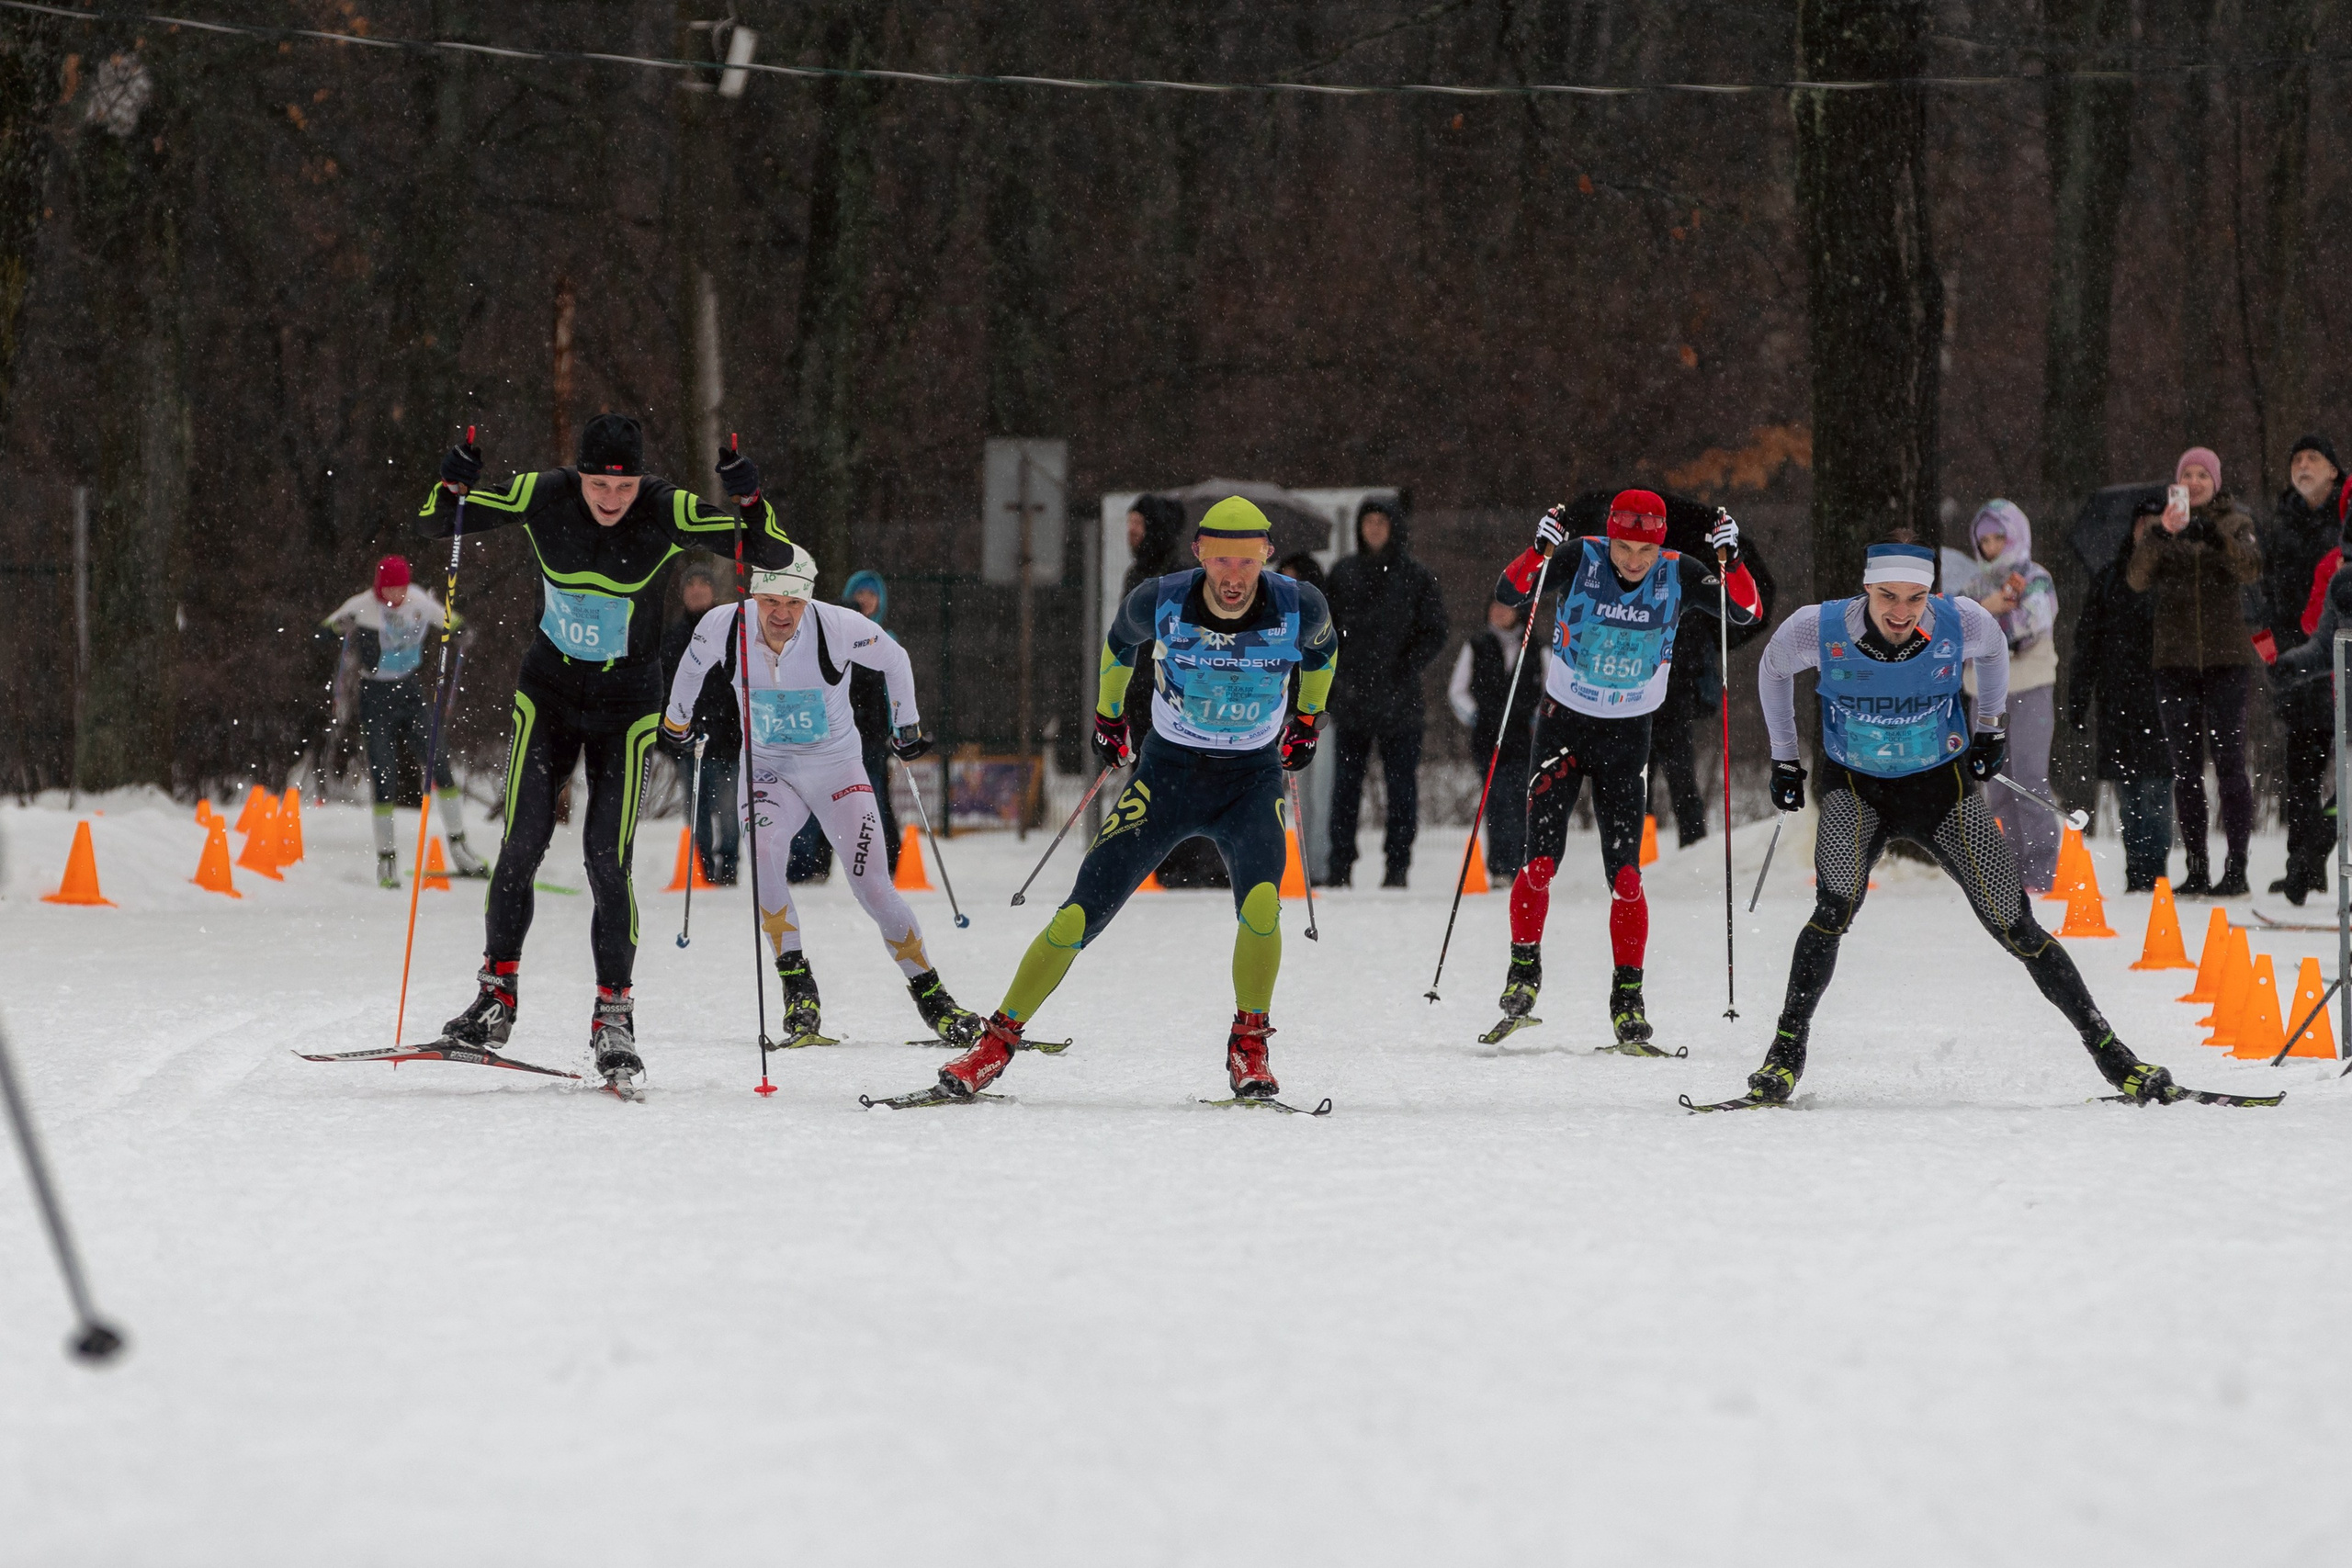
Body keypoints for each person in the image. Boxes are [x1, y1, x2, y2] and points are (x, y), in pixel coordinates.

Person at [1705, 541, 2191, 1110]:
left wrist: (1989, 728)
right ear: (1867, 588)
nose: (1901, 612)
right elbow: (1771, 669)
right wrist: (1785, 758)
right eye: (1887, 596)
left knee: (2017, 926)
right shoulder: (1821, 626)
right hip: (1856, 790)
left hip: (1942, 792)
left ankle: (2116, 1058)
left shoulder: (1961, 620)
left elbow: (1993, 654)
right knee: (1832, 907)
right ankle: (1784, 1055)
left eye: (1914, 598)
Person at [415, 414, 794, 1089]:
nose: (610, 499)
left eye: (621, 486)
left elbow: (768, 551)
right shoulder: (545, 492)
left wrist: (750, 499)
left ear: (638, 479)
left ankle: (613, 1014)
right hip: (549, 692)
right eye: (597, 484)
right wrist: (453, 481)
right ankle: (496, 992)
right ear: (579, 474)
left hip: (627, 706)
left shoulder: (664, 505)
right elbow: (439, 521)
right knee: (520, 844)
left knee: (604, 859)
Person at [917, 496, 1337, 1103]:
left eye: (1246, 561)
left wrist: (1307, 717)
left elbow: (1323, 655)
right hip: (1168, 775)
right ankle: (994, 1043)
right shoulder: (1163, 598)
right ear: (1200, 555)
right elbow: (1119, 645)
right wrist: (1107, 716)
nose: (1233, 576)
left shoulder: (1299, 604)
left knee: (1265, 907)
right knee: (1076, 915)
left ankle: (1250, 1043)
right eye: (1220, 560)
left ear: (1266, 557)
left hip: (1251, 779)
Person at [664, 547, 980, 1047]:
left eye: (793, 601)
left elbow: (895, 659)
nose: (781, 614)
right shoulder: (724, 625)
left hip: (836, 771)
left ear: (808, 598)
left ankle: (933, 997)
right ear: (753, 596)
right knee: (765, 855)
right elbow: (690, 665)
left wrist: (907, 725)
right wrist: (675, 720)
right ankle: (797, 985)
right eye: (770, 601)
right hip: (769, 772)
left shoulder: (837, 625)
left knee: (872, 885)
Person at [1490, 491, 1759, 1047]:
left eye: (1645, 549)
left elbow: (1745, 612)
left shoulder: (1678, 573)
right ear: (1609, 537)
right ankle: (1523, 971)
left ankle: (1628, 997)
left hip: (1628, 734)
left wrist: (1731, 563)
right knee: (1539, 863)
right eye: (1624, 547)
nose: (1633, 560)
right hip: (1563, 724)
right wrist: (1538, 551)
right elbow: (1509, 592)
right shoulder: (1581, 557)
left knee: (1628, 876)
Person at [2127, 446, 2262, 897]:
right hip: (2174, 663)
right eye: (2188, 473)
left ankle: (2237, 867)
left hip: (2227, 662)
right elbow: (2137, 578)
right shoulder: (2164, 529)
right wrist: (2162, 534)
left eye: (2204, 474)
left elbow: (2250, 569)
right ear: (2177, 483)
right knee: (2185, 770)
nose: (2196, 481)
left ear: (2216, 482)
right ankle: (2198, 866)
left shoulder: (2238, 522)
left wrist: (2217, 534)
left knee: (2230, 766)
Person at [320, 555, 490, 887]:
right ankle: (386, 860)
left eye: (400, 588)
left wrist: (462, 632)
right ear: (379, 587)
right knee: (385, 777)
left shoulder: (419, 601)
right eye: (389, 589)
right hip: (375, 696)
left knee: (439, 764)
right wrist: (339, 628)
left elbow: (454, 623)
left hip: (410, 694)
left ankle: (460, 848)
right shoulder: (362, 605)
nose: (396, 596)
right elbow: (325, 630)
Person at [1322, 497, 1449, 886]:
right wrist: (1340, 675)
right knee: (1345, 788)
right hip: (1351, 701)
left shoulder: (1416, 576)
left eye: (1381, 521)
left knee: (1401, 789)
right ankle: (1339, 866)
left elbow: (1435, 631)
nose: (1374, 528)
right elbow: (1322, 629)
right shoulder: (1343, 573)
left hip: (1401, 703)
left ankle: (1398, 867)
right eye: (1368, 521)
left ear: (1394, 526)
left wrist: (1404, 666)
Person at [1941, 500, 2060, 890]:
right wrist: (1987, 608)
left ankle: (2041, 872)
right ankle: (2007, 868)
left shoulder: (2035, 577)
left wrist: (1986, 620)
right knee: (1997, 784)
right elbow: (1951, 631)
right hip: (1984, 693)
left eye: (1999, 537)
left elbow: (2033, 621)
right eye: (1984, 540)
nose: (1991, 546)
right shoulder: (1975, 586)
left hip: (2030, 687)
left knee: (2029, 778)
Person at [2069, 498, 2176, 892]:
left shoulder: (2175, 577)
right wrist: (2078, 698)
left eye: (2156, 524)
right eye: (2141, 523)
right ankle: (2137, 871)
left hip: (2163, 696)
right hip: (2118, 700)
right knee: (2128, 791)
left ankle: (2157, 871)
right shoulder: (2109, 579)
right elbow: (2087, 643)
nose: (2146, 531)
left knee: (2158, 790)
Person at [2257, 435, 2343, 902]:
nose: (2303, 465)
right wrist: (2273, 649)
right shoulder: (2282, 520)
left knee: (2346, 773)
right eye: (2296, 459)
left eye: (2313, 458)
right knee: (2301, 769)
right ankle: (2301, 867)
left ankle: (2318, 848)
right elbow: (2267, 588)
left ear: (2334, 471)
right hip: (2297, 658)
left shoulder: (2347, 518)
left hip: (2340, 655)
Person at [782, 568, 905, 882]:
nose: (864, 601)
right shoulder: (828, 639)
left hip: (870, 739)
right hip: (831, 736)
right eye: (859, 594)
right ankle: (811, 863)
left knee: (871, 802)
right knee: (821, 801)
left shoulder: (883, 641)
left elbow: (893, 693)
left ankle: (883, 863)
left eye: (871, 595)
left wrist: (897, 729)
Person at [1445, 599, 1545, 877]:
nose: (1498, 612)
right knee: (1497, 800)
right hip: (1488, 739)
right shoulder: (1477, 645)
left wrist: (1537, 719)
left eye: (1505, 607)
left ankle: (1523, 864)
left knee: (1523, 800)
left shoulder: (1538, 648)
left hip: (1526, 740)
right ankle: (1501, 866)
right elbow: (1458, 690)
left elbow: (1552, 691)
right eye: (1494, 606)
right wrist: (1476, 716)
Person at [658, 566, 741, 884]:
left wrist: (736, 730)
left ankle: (730, 866)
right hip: (689, 741)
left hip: (729, 741)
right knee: (696, 811)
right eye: (690, 585)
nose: (696, 591)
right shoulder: (673, 637)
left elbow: (739, 686)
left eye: (703, 585)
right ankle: (702, 867)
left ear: (713, 591)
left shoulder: (728, 632)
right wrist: (669, 733)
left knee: (730, 811)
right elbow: (664, 689)